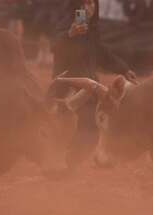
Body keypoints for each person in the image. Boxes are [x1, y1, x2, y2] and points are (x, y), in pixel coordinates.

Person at [52, 0, 137, 169]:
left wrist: (124, 69)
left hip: (89, 84)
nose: (88, 8)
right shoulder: (65, 24)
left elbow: (101, 52)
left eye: (92, 4)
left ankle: (79, 158)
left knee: (99, 119)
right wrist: (69, 34)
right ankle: (71, 160)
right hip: (68, 84)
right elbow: (54, 45)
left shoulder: (92, 30)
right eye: (84, 4)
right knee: (87, 123)